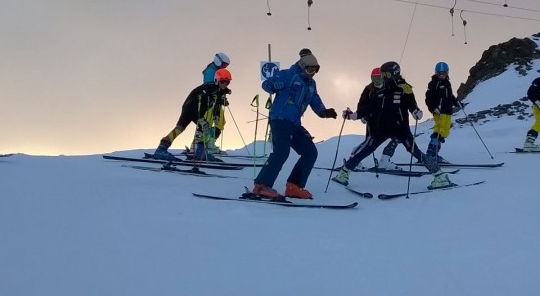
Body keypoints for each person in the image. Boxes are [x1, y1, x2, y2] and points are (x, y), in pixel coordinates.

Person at [333, 61, 453, 189]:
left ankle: (440, 177)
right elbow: (369, 107)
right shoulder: (381, 89)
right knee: (367, 148)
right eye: (382, 75)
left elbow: (411, 104)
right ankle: (344, 173)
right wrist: (353, 115)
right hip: (382, 128)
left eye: (386, 74)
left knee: (415, 151)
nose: (383, 77)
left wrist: (416, 112)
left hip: (400, 129)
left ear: (395, 73)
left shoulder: (404, 88)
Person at [252, 49, 337, 200]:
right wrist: (273, 85)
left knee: (310, 152)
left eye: (316, 70)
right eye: (310, 70)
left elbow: (315, 100)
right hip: (280, 119)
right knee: (282, 151)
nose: (312, 73)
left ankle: (294, 186)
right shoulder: (288, 75)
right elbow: (266, 84)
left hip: (294, 123)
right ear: (302, 66)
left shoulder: (311, 84)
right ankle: (261, 185)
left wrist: (324, 112)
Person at [152, 68, 233, 161]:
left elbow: (216, 103)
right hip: (191, 109)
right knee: (188, 127)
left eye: (227, 82)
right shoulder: (208, 89)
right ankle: (199, 152)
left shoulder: (217, 91)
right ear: (216, 80)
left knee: (191, 128)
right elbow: (200, 105)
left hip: (193, 108)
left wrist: (216, 114)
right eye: (222, 81)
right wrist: (201, 118)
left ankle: (163, 149)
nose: (225, 84)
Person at [194, 52, 231, 155]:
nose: (224, 67)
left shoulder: (216, 71)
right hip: (210, 102)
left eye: (226, 66)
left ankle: (209, 143)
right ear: (218, 61)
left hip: (216, 102)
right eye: (223, 64)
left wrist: (224, 92)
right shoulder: (210, 72)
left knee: (220, 121)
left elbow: (219, 87)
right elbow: (212, 88)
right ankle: (200, 146)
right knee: (208, 122)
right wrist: (221, 95)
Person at [425, 61, 456, 160]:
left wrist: (456, 102)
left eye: (444, 73)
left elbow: (450, 95)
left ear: (447, 73)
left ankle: (434, 152)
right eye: (439, 73)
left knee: (445, 132)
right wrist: (433, 108)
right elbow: (428, 98)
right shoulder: (434, 83)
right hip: (439, 111)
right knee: (439, 130)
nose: (442, 75)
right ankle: (431, 153)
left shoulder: (447, 83)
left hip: (447, 111)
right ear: (436, 73)